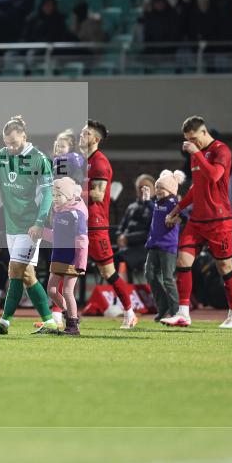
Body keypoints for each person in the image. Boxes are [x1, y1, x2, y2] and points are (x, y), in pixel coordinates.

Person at [0, 115, 57, 334]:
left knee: (14, 270)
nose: (10, 147)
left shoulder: (39, 159)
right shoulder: (2, 156)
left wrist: (39, 223)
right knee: (27, 275)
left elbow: (47, 195)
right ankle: (50, 322)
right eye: (6, 142)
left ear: (24, 137)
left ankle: (4, 322)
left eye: (14, 142)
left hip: (30, 227)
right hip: (12, 225)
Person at [162, 116, 232, 329]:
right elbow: (196, 188)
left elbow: (215, 175)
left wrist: (196, 153)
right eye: (188, 139)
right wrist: (176, 209)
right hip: (197, 220)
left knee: (225, 266)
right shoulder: (196, 155)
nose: (191, 143)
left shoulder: (221, 150)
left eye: (194, 138)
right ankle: (183, 314)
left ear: (204, 133)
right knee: (182, 262)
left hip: (219, 220)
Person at [80, 120, 139, 329]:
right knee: (63, 268)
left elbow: (98, 194)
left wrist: (71, 193)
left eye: (86, 133)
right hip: (77, 222)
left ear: (95, 139)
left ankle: (130, 313)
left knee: (108, 273)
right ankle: (56, 318)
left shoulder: (99, 162)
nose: (81, 135)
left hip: (95, 225)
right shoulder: (79, 161)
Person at [42, 176, 88, 336]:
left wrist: (81, 262)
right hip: (58, 256)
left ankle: (73, 326)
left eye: (58, 195)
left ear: (68, 196)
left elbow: (82, 240)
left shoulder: (77, 214)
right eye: (53, 195)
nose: (55, 199)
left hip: (72, 258)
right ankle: (70, 314)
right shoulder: (59, 213)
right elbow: (56, 236)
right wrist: (41, 233)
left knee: (68, 291)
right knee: (52, 290)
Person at [144, 170, 184, 322]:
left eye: (162, 188)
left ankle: (175, 312)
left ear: (171, 190)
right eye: (157, 187)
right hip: (153, 245)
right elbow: (152, 211)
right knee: (149, 274)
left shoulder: (174, 203)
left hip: (168, 247)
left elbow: (184, 216)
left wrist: (174, 219)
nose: (158, 191)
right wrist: (146, 200)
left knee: (168, 278)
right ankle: (163, 307)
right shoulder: (157, 202)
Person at [116, 174, 156, 283]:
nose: (143, 190)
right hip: (126, 247)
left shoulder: (156, 209)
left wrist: (127, 238)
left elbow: (150, 233)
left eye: (146, 188)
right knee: (107, 257)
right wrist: (120, 237)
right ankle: (122, 289)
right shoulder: (131, 207)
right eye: (140, 188)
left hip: (144, 248)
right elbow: (121, 228)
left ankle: (127, 289)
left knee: (119, 258)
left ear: (155, 190)